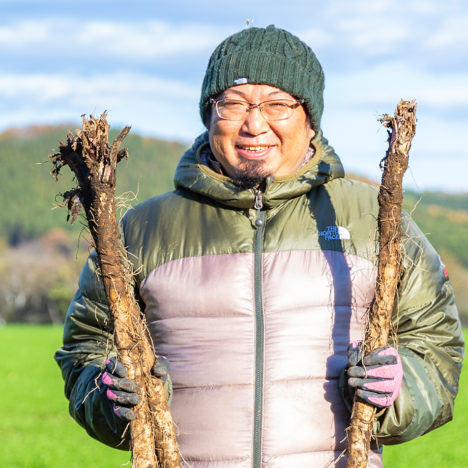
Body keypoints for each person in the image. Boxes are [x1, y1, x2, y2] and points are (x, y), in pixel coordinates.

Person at [55, 25, 464, 467]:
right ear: (209, 115)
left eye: (277, 104)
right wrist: (108, 395)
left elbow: (437, 350)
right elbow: (85, 351)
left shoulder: (374, 219)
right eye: (232, 103)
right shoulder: (142, 229)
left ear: (310, 119)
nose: (254, 123)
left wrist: (402, 388)